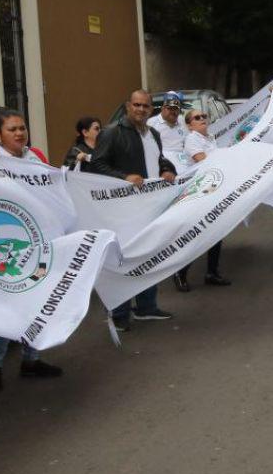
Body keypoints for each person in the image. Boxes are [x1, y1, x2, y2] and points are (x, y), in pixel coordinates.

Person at [0, 107, 63, 390]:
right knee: (11, 307)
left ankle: (31, 359)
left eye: (22, 128)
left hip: (41, 243)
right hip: (9, 247)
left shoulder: (35, 157)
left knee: (38, 304)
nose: (19, 133)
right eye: (12, 129)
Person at [90, 89, 178, 331]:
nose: (141, 109)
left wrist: (167, 170)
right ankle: (119, 313)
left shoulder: (154, 134)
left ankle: (146, 307)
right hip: (123, 209)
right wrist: (124, 177)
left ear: (151, 109)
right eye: (136, 105)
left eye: (145, 106)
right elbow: (96, 164)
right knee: (125, 258)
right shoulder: (111, 132)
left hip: (150, 206)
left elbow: (159, 159)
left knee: (149, 254)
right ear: (128, 106)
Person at [172, 108, 230, 291]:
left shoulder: (210, 138)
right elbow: (202, 160)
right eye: (197, 118)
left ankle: (212, 272)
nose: (202, 119)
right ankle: (180, 272)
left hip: (214, 189)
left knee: (217, 233)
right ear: (190, 125)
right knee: (199, 234)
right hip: (200, 192)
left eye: (204, 116)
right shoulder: (192, 139)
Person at [147, 93, 189, 171]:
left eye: (175, 109)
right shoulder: (152, 123)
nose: (173, 111)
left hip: (183, 160)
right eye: (170, 108)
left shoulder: (181, 120)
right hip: (163, 163)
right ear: (163, 108)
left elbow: (188, 141)